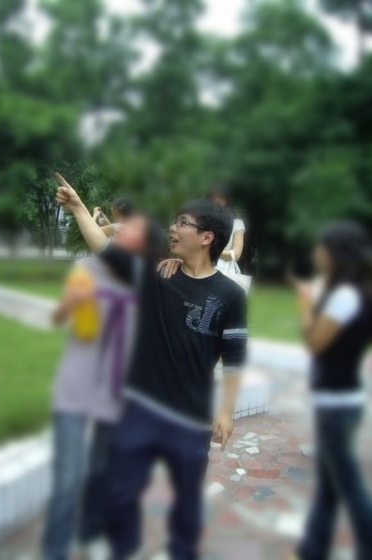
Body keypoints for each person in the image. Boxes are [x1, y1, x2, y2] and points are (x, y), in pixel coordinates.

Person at [56, 174, 248, 560]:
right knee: (120, 493)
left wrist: (226, 411)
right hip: (138, 409)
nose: (172, 228)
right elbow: (105, 248)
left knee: (187, 504)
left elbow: (234, 357)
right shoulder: (157, 274)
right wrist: (77, 208)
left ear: (207, 237)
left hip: (190, 418)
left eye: (182, 223)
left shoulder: (229, 295)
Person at [42, 190, 167, 560]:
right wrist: (71, 306)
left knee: (100, 472)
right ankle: (55, 550)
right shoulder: (90, 271)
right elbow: (67, 321)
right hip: (76, 389)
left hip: (115, 394)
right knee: (68, 479)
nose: (120, 233)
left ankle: (91, 532)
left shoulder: (151, 283)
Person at [292, 221, 372, 560]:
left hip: (336, 404)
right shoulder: (356, 292)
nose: (316, 253)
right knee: (328, 487)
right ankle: (313, 550)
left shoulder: (345, 296)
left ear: (336, 254)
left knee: (349, 487)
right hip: (340, 401)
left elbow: (315, 343)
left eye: (321, 247)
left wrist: (305, 304)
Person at [208, 185, 246, 274]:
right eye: (213, 198)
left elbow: (236, 254)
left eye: (220, 197)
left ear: (227, 200)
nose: (216, 201)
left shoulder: (237, 223)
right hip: (201, 267)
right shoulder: (203, 221)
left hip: (226, 271)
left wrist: (210, 251)